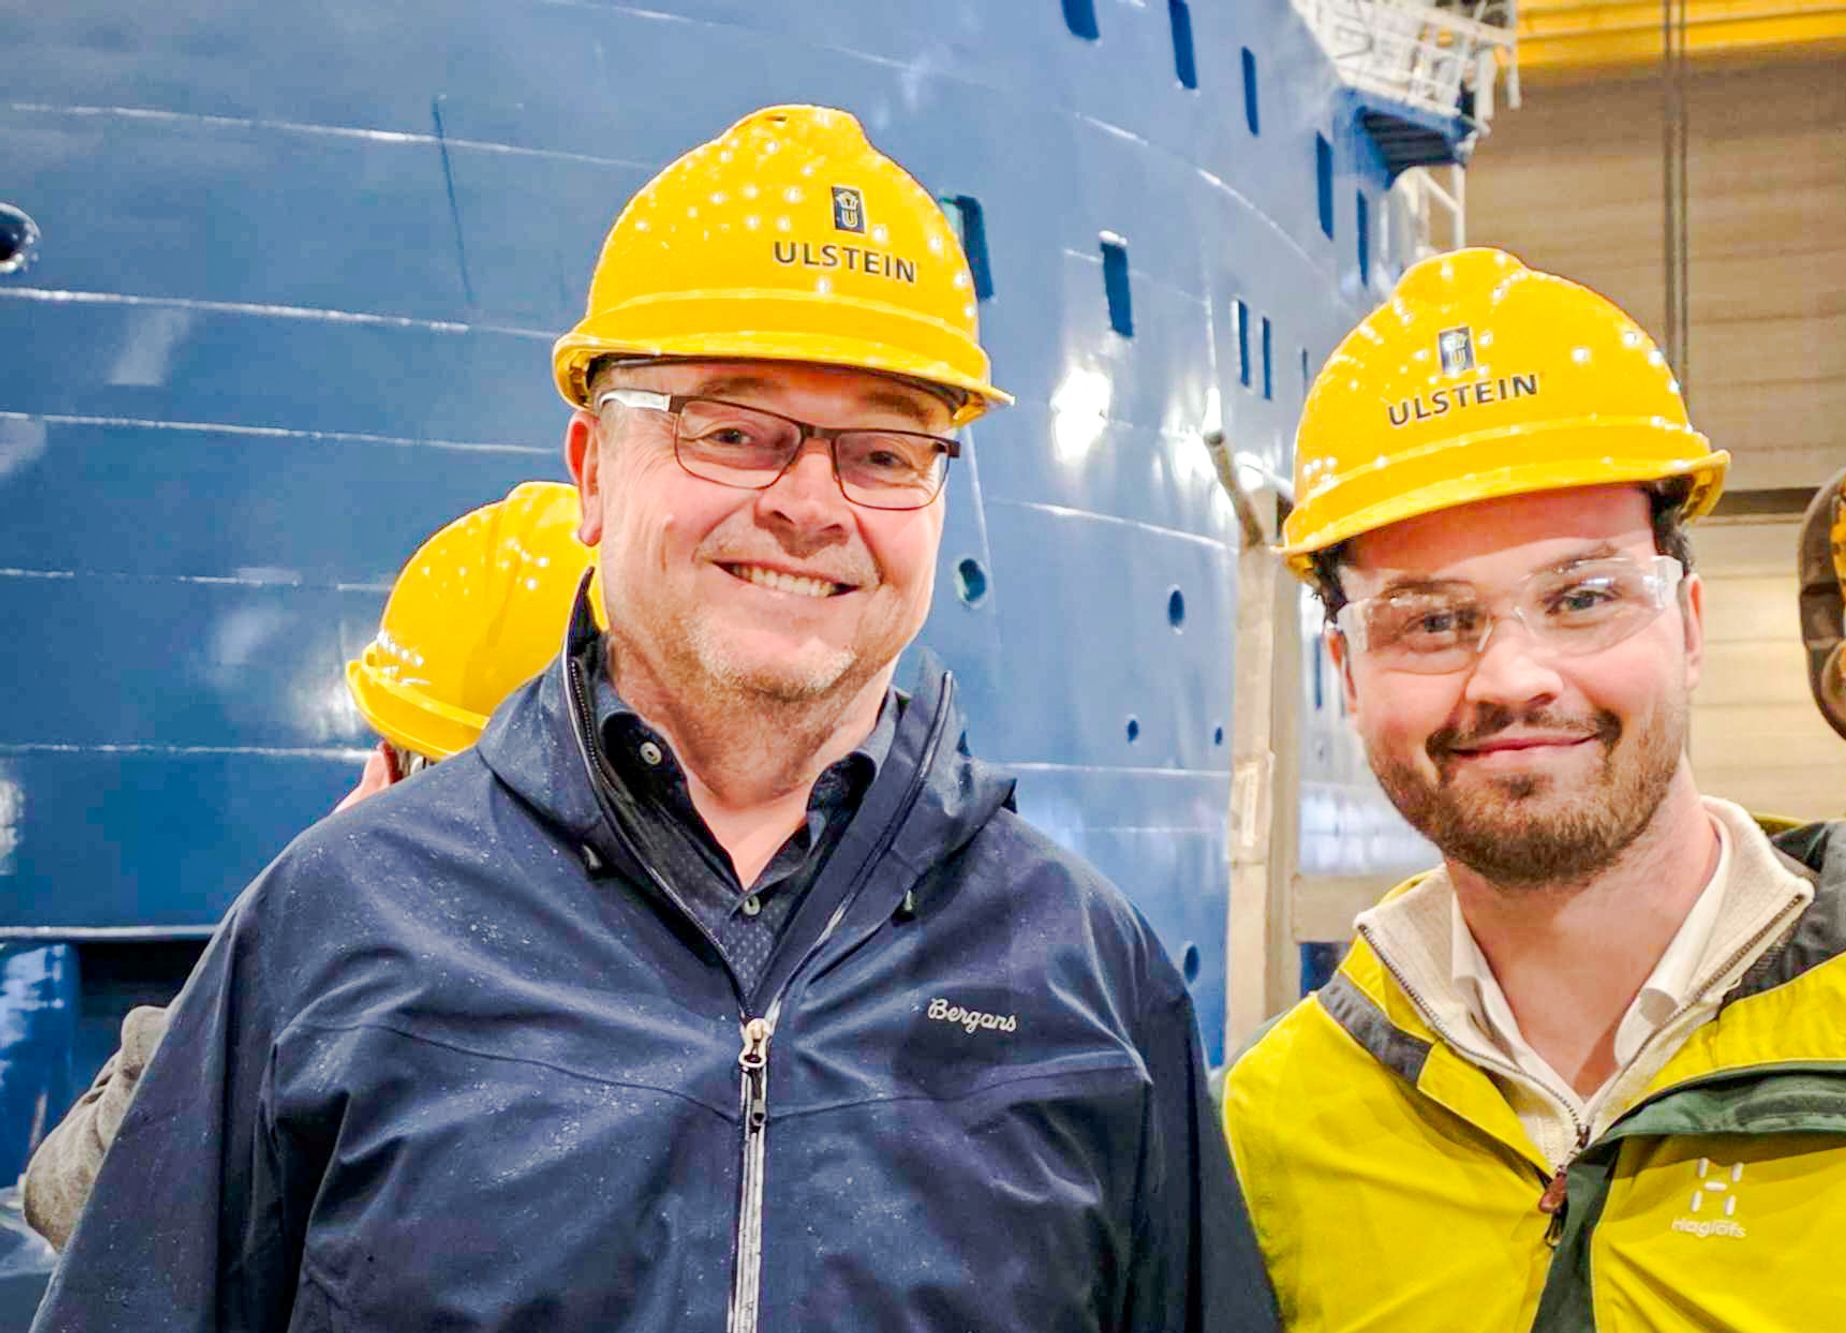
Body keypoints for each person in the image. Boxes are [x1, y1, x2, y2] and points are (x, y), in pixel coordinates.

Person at [34, 105, 1274, 1331]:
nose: (808, 503)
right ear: (588, 469)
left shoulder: (1087, 978)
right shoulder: (333, 928)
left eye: (886, 452)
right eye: (730, 431)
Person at [1220, 248, 1846, 1331]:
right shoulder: (1273, 1127)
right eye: (1430, 620)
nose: (1510, 677)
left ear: (1686, 624)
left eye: (1582, 596)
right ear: (1348, 675)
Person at [19, 480, 595, 1252]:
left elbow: (72, 1194)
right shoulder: (744, 995)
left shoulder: (348, 978)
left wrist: (302, 908)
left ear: (393, 768)